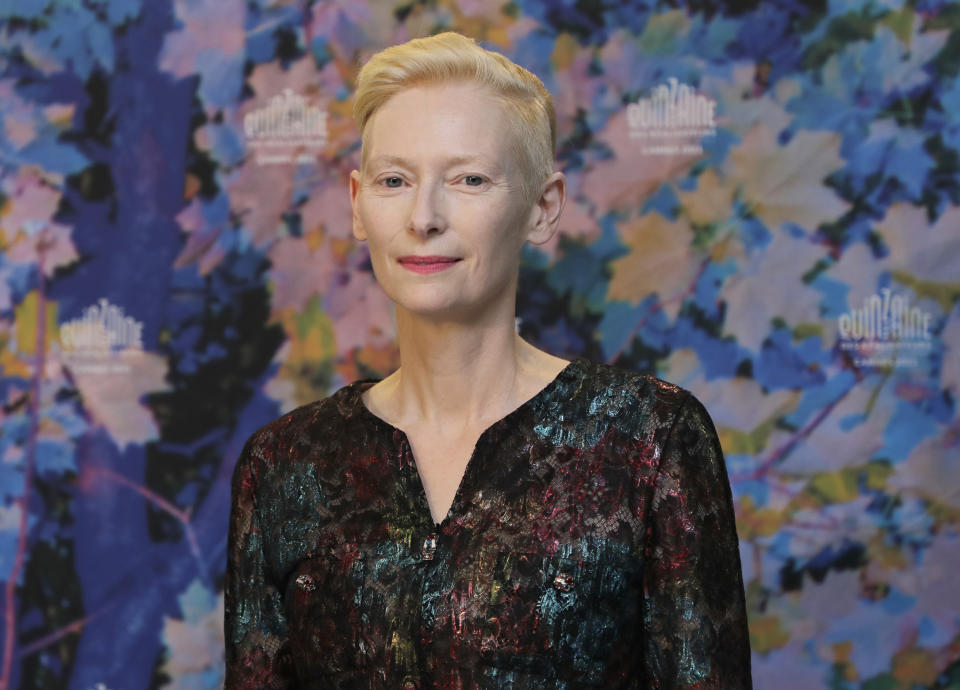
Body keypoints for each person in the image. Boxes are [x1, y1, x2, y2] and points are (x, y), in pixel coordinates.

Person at [224, 31, 752, 689]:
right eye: (395, 180)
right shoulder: (285, 464)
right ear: (358, 204)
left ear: (542, 207)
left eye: (469, 179)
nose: (424, 216)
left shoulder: (648, 439)